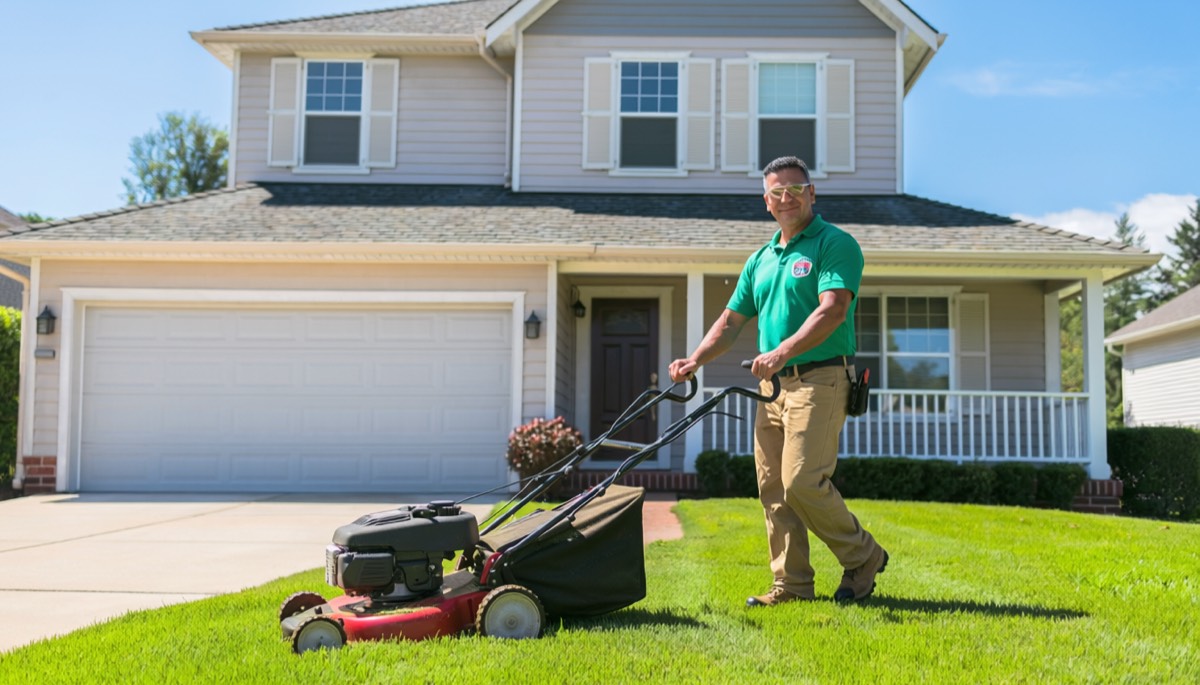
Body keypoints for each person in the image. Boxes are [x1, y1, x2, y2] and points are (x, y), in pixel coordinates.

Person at [668, 155, 887, 605]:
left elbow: (833, 310)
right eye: (776, 191)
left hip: (821, 378)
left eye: (795, 188)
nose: (786, 198)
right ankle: (791, 585)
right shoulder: (762, 259)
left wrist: (782, 351)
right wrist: (695, 360)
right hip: (771, 387)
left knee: (801, 481)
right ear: (765, 201)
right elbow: (731, 321)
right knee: (772, 489)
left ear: (812, 193)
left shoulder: (834, 243)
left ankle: (862, 555)